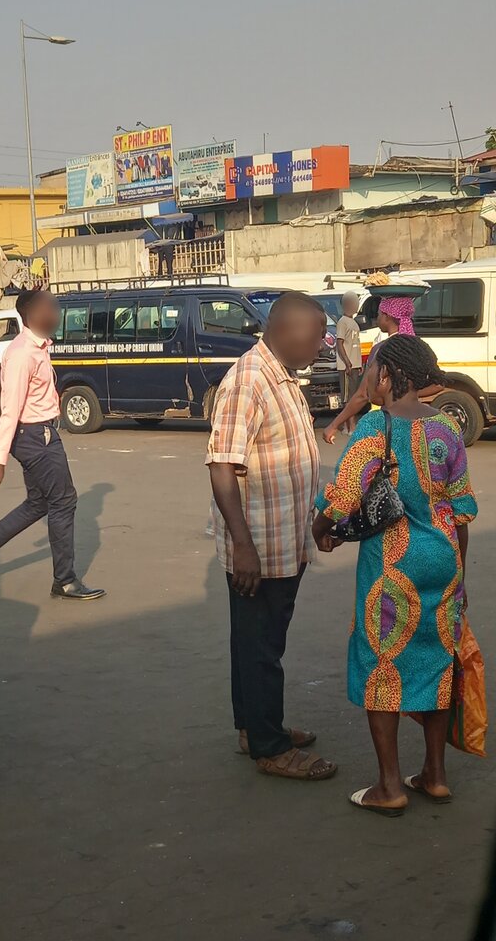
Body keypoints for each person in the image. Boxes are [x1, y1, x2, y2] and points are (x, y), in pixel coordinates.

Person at [312, 334, 477, 816]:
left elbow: (343, 497)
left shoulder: (374, 426)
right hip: (444, 559)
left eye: (371, 370)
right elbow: (461, 510)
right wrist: (459, 576)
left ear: (386, 375)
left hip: (392, 565)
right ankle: (435, 775)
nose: (368, 378)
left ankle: (389, 786)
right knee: (437, 661)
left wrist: (321, 531)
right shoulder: (447, 427)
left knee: (381, 663)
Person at [207, 292, 337, 782]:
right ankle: (270, 747)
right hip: (259, 547)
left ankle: (256, 727)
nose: (321, 345)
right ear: (286, 329)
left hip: (284, 539)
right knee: (261, 647)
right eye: (317, 335)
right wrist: (243, 546)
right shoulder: (249, 380)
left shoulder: (280, 374)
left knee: (256, 642)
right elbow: (222, 465)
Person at [0, 289, 105, 601]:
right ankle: (65, 581)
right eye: (50, 308)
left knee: (38, 503)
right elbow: (10, 408)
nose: (55, 314)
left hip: (38, 433)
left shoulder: (37, 346)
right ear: (32, 315)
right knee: (64, 501)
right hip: (36, 437)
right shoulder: (23, 353)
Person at [323, 295, 416, 444]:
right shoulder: (417, 346)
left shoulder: (382, 349)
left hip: (390, 424)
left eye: (379, 314)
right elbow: (437, 384)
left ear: (387, 317)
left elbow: (363, 394)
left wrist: (334, 425)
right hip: (415, 423)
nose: (377, 318)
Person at [335, 291, 363, 433]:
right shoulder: (342, 322)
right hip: (347, 366)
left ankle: (349, 426)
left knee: (353, 396)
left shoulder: (354, 322)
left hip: (355, 365)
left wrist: (359, 363)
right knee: (348, 398)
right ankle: (350, 427)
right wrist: (347, 362)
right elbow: (339, 343)